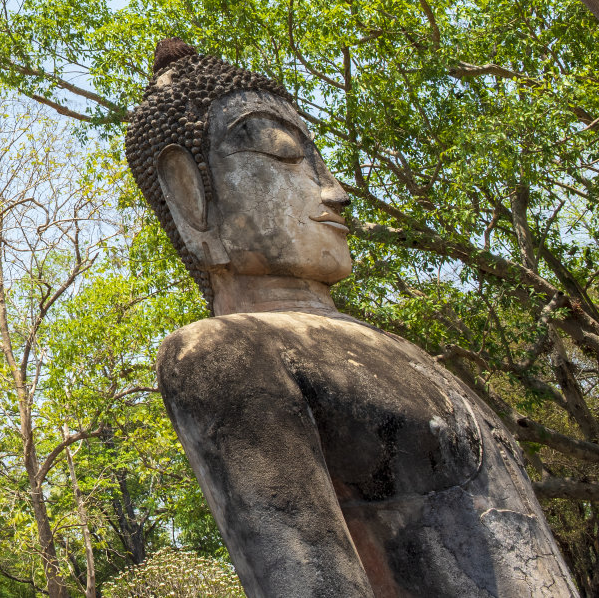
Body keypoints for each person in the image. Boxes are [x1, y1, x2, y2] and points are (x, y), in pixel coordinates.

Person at [125, 38, 578, 597]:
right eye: (284, 154)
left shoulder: (396, 349)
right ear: (189, 195)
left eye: (320, 163)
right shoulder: (227, 353)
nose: (335, 192)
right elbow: (308, 577)